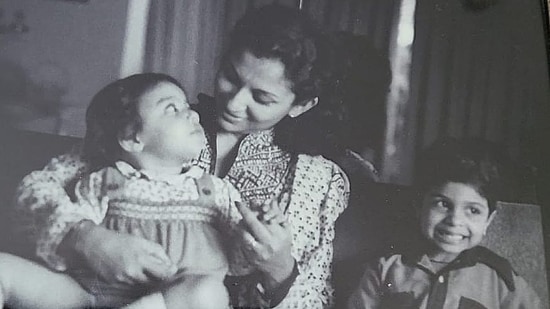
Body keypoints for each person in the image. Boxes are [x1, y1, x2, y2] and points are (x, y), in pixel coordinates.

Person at [13, 4, 350, 308]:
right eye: (230, 77)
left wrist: (279, 269)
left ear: (301, 105)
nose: (233, 103)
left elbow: (315, 301)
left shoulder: (317, 182)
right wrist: (86, 237)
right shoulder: (157, 122)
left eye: (261, 98)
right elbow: (37, 188)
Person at [0, 73, 257, 309]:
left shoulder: (217, 191)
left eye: (187, 106)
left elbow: (239, 263)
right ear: (132, 138)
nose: (193, 115)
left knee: (208, 293)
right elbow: (67, 245)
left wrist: (255, 234)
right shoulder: (101, 181)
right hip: (89, 296)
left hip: (174, 302)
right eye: (172, 108)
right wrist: (86, 236)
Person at [347, 137, 542, 308]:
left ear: (488, 221)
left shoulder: (502, 280)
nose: (455, 220)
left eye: (473, 210)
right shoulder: (385, 269)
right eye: (443, 204)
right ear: (419, 207)